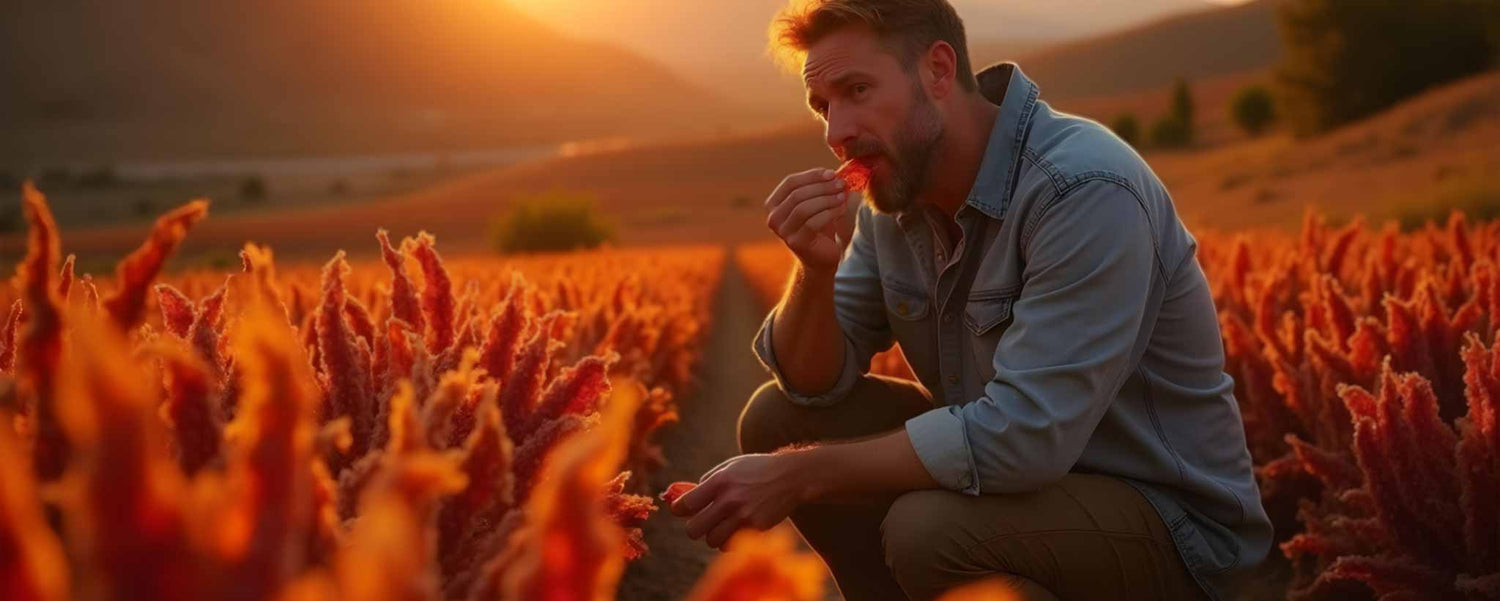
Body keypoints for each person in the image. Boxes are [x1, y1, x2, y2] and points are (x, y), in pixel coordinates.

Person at [667, 1, 1272, 600]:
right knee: (778, 420)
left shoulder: (1082, 190)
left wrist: (799, 476)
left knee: (927, 532)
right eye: (823, 106)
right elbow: (811, 385)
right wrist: (814, 271)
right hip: (1024, 489)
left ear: (936, 70)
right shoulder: (895, 191)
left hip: (1173, 525)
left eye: (857, 90)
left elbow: (1024, 438)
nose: (836, 132)